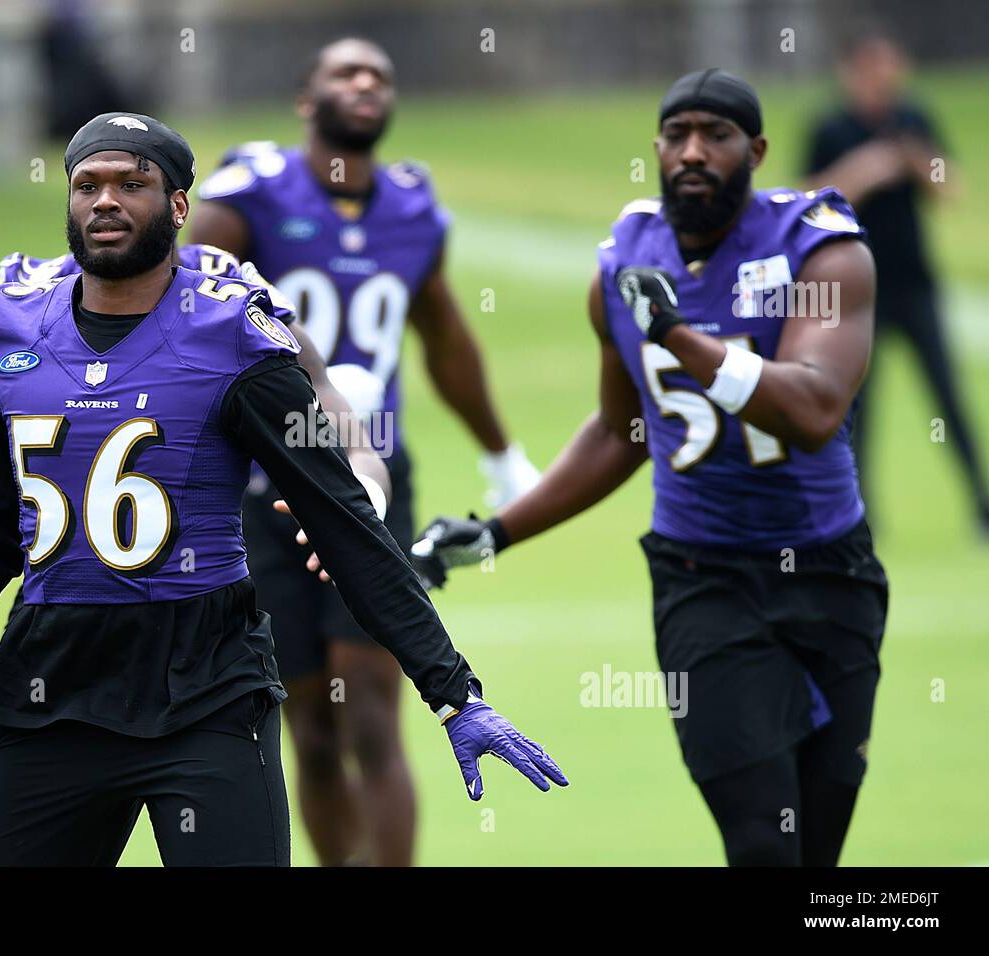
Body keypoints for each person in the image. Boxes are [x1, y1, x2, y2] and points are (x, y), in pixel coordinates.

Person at [0, 112, 567, 867]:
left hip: (205, 691)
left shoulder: (232, 331)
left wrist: (454, 695)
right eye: (87, 185)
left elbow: (343, 523)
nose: (105, 201)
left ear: (179, 207)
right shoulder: (14, 329)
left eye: (131, 184)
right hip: (53, 685)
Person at [413, 70, 887, 867]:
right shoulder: (627, 259)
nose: (693, 152)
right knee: (764, 846)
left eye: (717, 135)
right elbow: (621, 430)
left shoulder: (820, 248)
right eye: (677, 136)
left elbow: (812, 412)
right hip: (702, 579)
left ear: (757, 150)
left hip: (831, 572)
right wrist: (497, 530)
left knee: (818, 846)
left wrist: (678, 334)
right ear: (658, 150)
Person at [185, 37, 539, 866]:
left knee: (374, 714)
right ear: (307, 99)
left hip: (370, 472)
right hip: (259, 488)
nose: (365, 83)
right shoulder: (246, 200)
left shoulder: (412, 208)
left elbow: (444, 337)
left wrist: (502, 455)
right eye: (345, 72)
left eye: (379, 74)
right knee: (307, 724)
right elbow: (185, 319)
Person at [805, 30, 989, 532]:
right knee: (859, 403)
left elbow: (950, 188)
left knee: (947, 395)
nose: (883, 78)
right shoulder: (831, 127)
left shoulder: (912, 119)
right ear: (852, 72)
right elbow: (806, 199)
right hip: (857, 291)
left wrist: (915, 161)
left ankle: (981, 502)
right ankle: (861, 512)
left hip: (915, 284)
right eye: (873, 68)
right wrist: (862, 172)